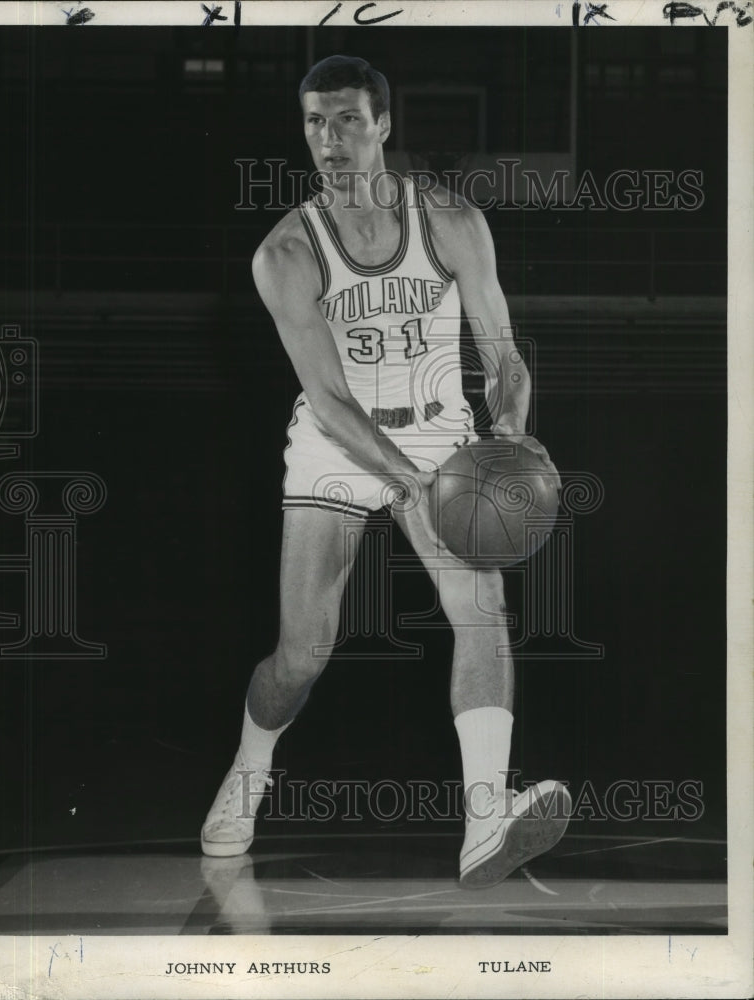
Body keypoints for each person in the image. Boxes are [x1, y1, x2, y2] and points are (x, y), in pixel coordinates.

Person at [201, 55, 570, 888]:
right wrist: (415, 484)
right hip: (340, 445)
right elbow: (329, 402)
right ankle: (249, 772)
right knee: (303, 652)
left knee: (480, 606)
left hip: (441, 428)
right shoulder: (286, 252)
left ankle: (484, 820)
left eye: (346, 121)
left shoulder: (450, 219)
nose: (328, 139)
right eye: (314, 123)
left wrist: (508, 427)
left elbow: (503, 355)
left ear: (383, 126)